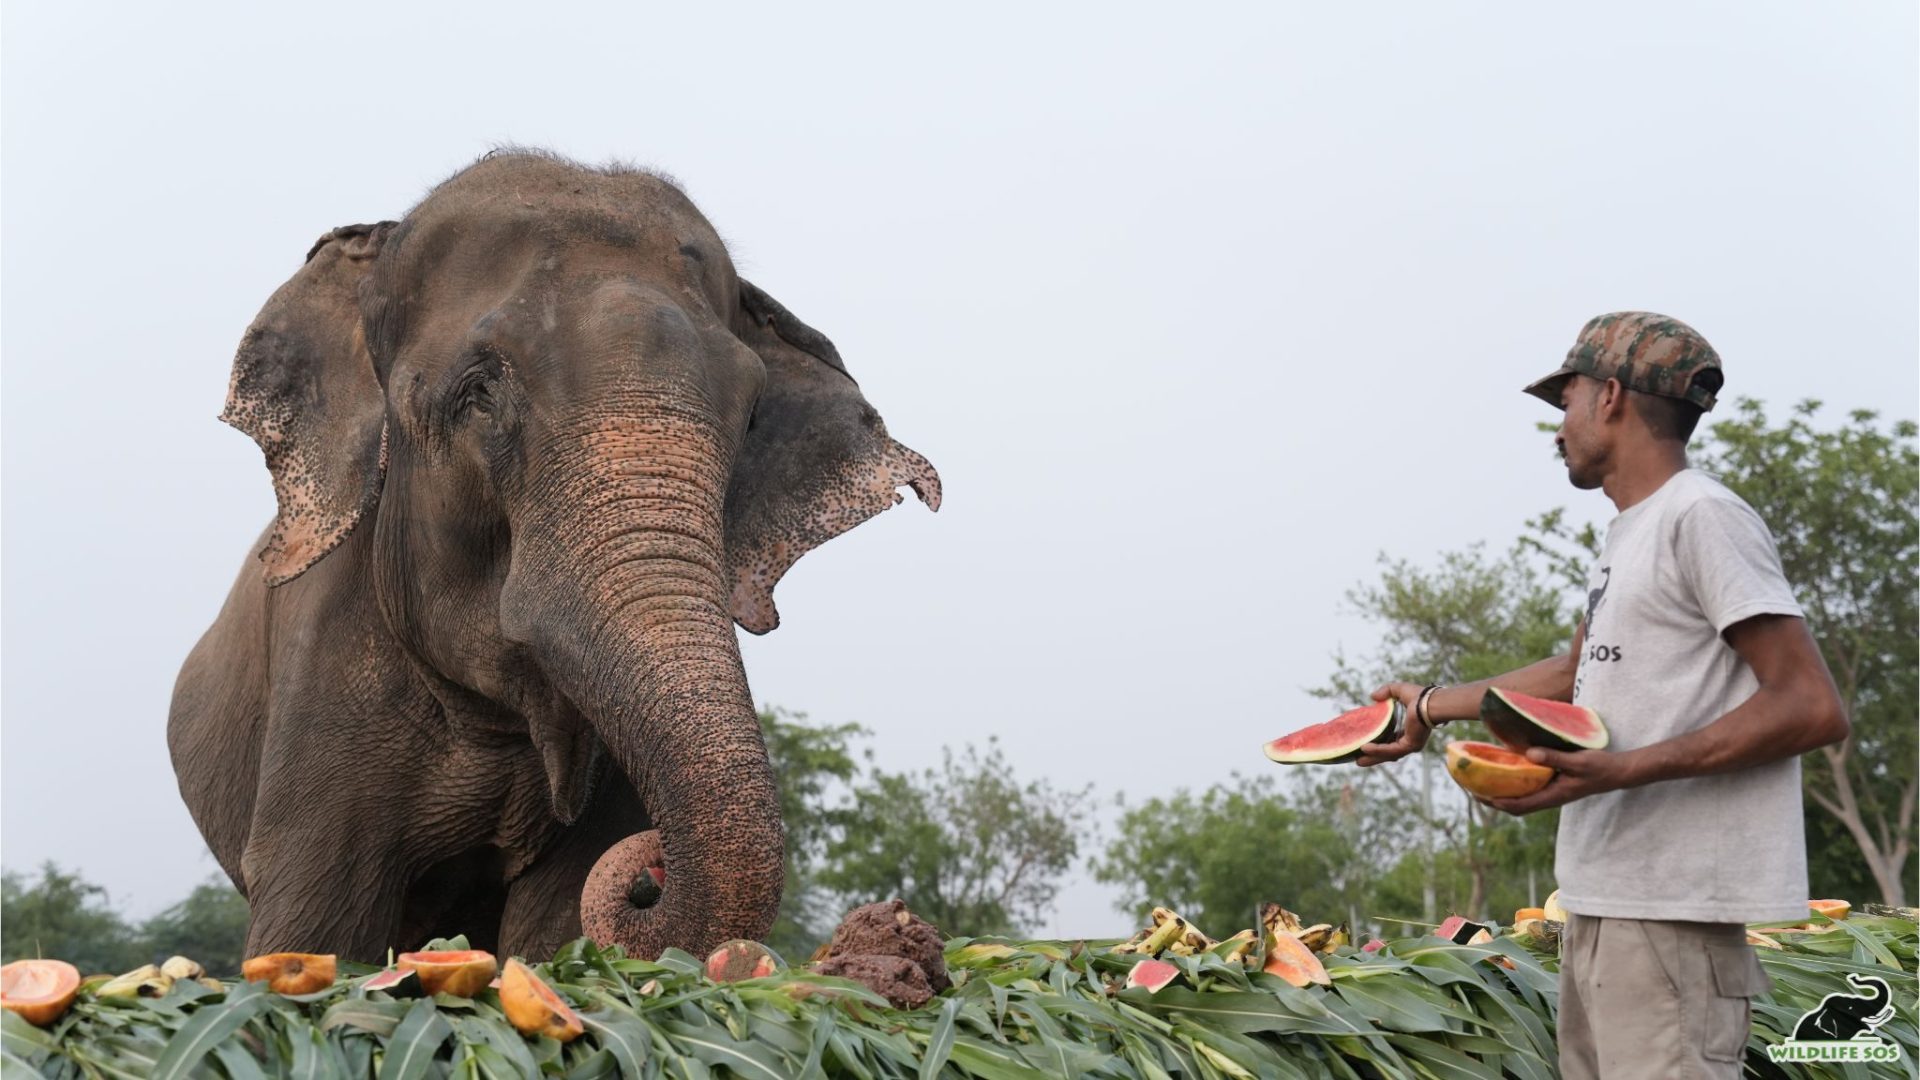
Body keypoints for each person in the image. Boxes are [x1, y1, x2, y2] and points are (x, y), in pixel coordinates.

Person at [1356, 312, 1849, 1079]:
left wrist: (1625, 769)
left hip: (1672, 913)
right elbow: (1580, 674)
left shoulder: (1703, 516)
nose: (1559, 427)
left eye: (1568, 401)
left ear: (1612, 396)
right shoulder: (1631, 533)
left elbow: (1811, 704)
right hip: (1603, 902)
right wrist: (1423, 708)